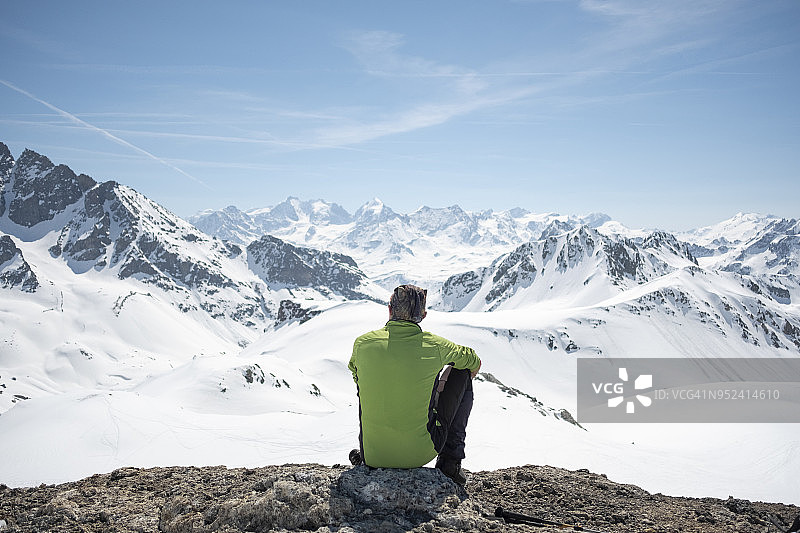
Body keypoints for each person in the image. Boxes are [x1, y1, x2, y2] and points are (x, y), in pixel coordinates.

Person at [348, 284, 481, 485]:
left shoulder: (362, 344)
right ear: (423, 316)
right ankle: (450, 463)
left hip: (372, 456)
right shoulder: (436, 345)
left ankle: (380, 449)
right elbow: (473, 361)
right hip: (420, 454)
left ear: (390, 309)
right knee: (461, 371)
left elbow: (357, 377)